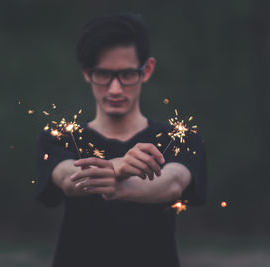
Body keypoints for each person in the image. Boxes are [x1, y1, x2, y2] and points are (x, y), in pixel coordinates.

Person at [36, 13, 207, 267]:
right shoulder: (61, 138)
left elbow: (173, 182)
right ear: (86, 71)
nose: (115, 89)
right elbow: (66, 178)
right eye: (103, 74)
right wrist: (117, 166)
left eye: (126, 74)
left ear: (146, 70)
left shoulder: (178, 138)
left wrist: (120, 188)